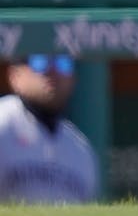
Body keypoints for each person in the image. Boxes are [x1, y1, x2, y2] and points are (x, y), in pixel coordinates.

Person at [0, 54, 99, 203]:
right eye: (40, 62)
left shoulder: (81, 149)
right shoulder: (3, 123)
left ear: (73, 79)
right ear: (15, 76)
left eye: (63, 63)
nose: (53, 71)